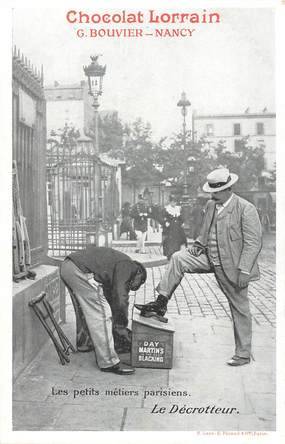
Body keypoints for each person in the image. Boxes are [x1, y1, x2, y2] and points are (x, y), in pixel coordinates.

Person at [135, 168, 262, 367]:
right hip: (208, 257)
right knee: (178, 258)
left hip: (233, 266)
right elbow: (206, 230)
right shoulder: (212, 205)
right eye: (211, 191)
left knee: (240, 308)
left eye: (216, 191)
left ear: (228, 189)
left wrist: (244, 270)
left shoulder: (246, 209)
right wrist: (198, 246)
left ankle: (243, 354)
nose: (212, 195)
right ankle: (160, 303)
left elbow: (253, 243)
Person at [60, 246, 146, 375]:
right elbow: (120, 297)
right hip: (80, 270)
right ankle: (108, 362)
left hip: (68, 266)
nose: (134, 288)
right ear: (139, 273)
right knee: (102, 313)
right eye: (138, 284)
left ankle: (85, 343)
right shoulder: (129, 266)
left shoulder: (117, 264)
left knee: (85, 310)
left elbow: (111, 296)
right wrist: (121, 327)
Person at [161, 195, 187, 260]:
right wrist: (165, 222)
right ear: (170, 202)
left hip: (177, 227)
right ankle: (169, 252)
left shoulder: (178, 209)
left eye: (175, 202)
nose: (174, 203)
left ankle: (176, 252)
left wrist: (182, 222)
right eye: (172, 202)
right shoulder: (166, 209)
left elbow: (180, 217)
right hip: (169, 227)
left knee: (178, 239)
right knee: (169, 240)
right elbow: (162, 217)